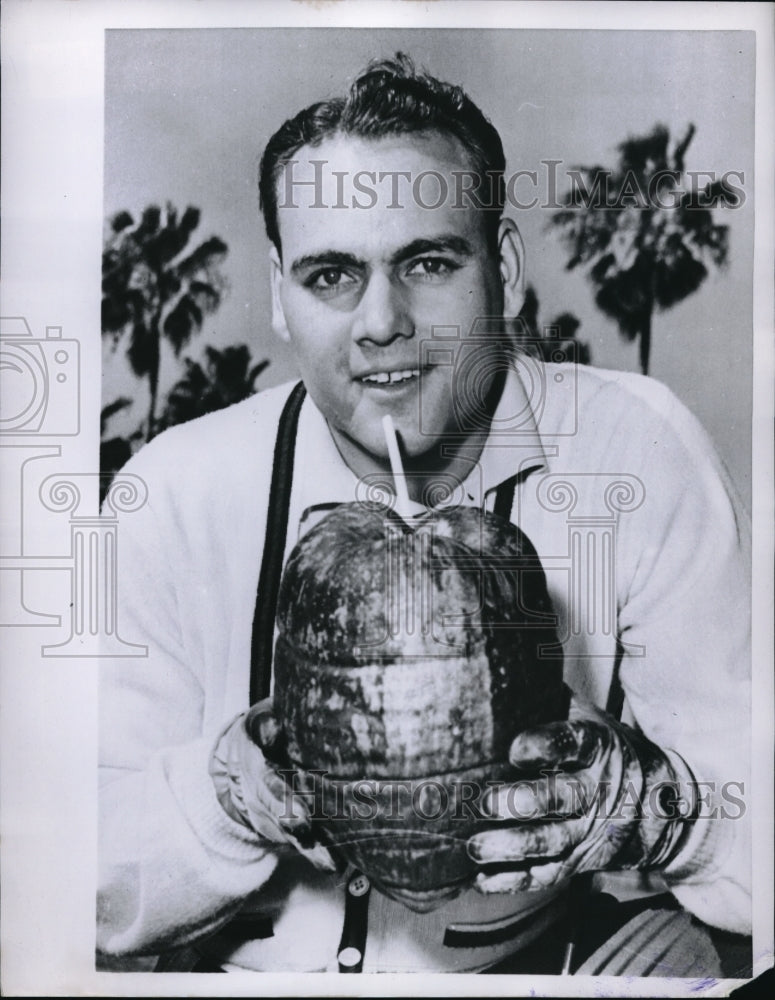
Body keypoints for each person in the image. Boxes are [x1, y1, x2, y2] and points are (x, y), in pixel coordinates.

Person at [98, 54, 751, 975]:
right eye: (330, 276)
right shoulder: (173, 492)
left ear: (505, 267)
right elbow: (67, 880)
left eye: (428, 261)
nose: (380, 321)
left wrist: (658, 810)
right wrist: (224, 797)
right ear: (280, 294)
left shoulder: (635, 453)